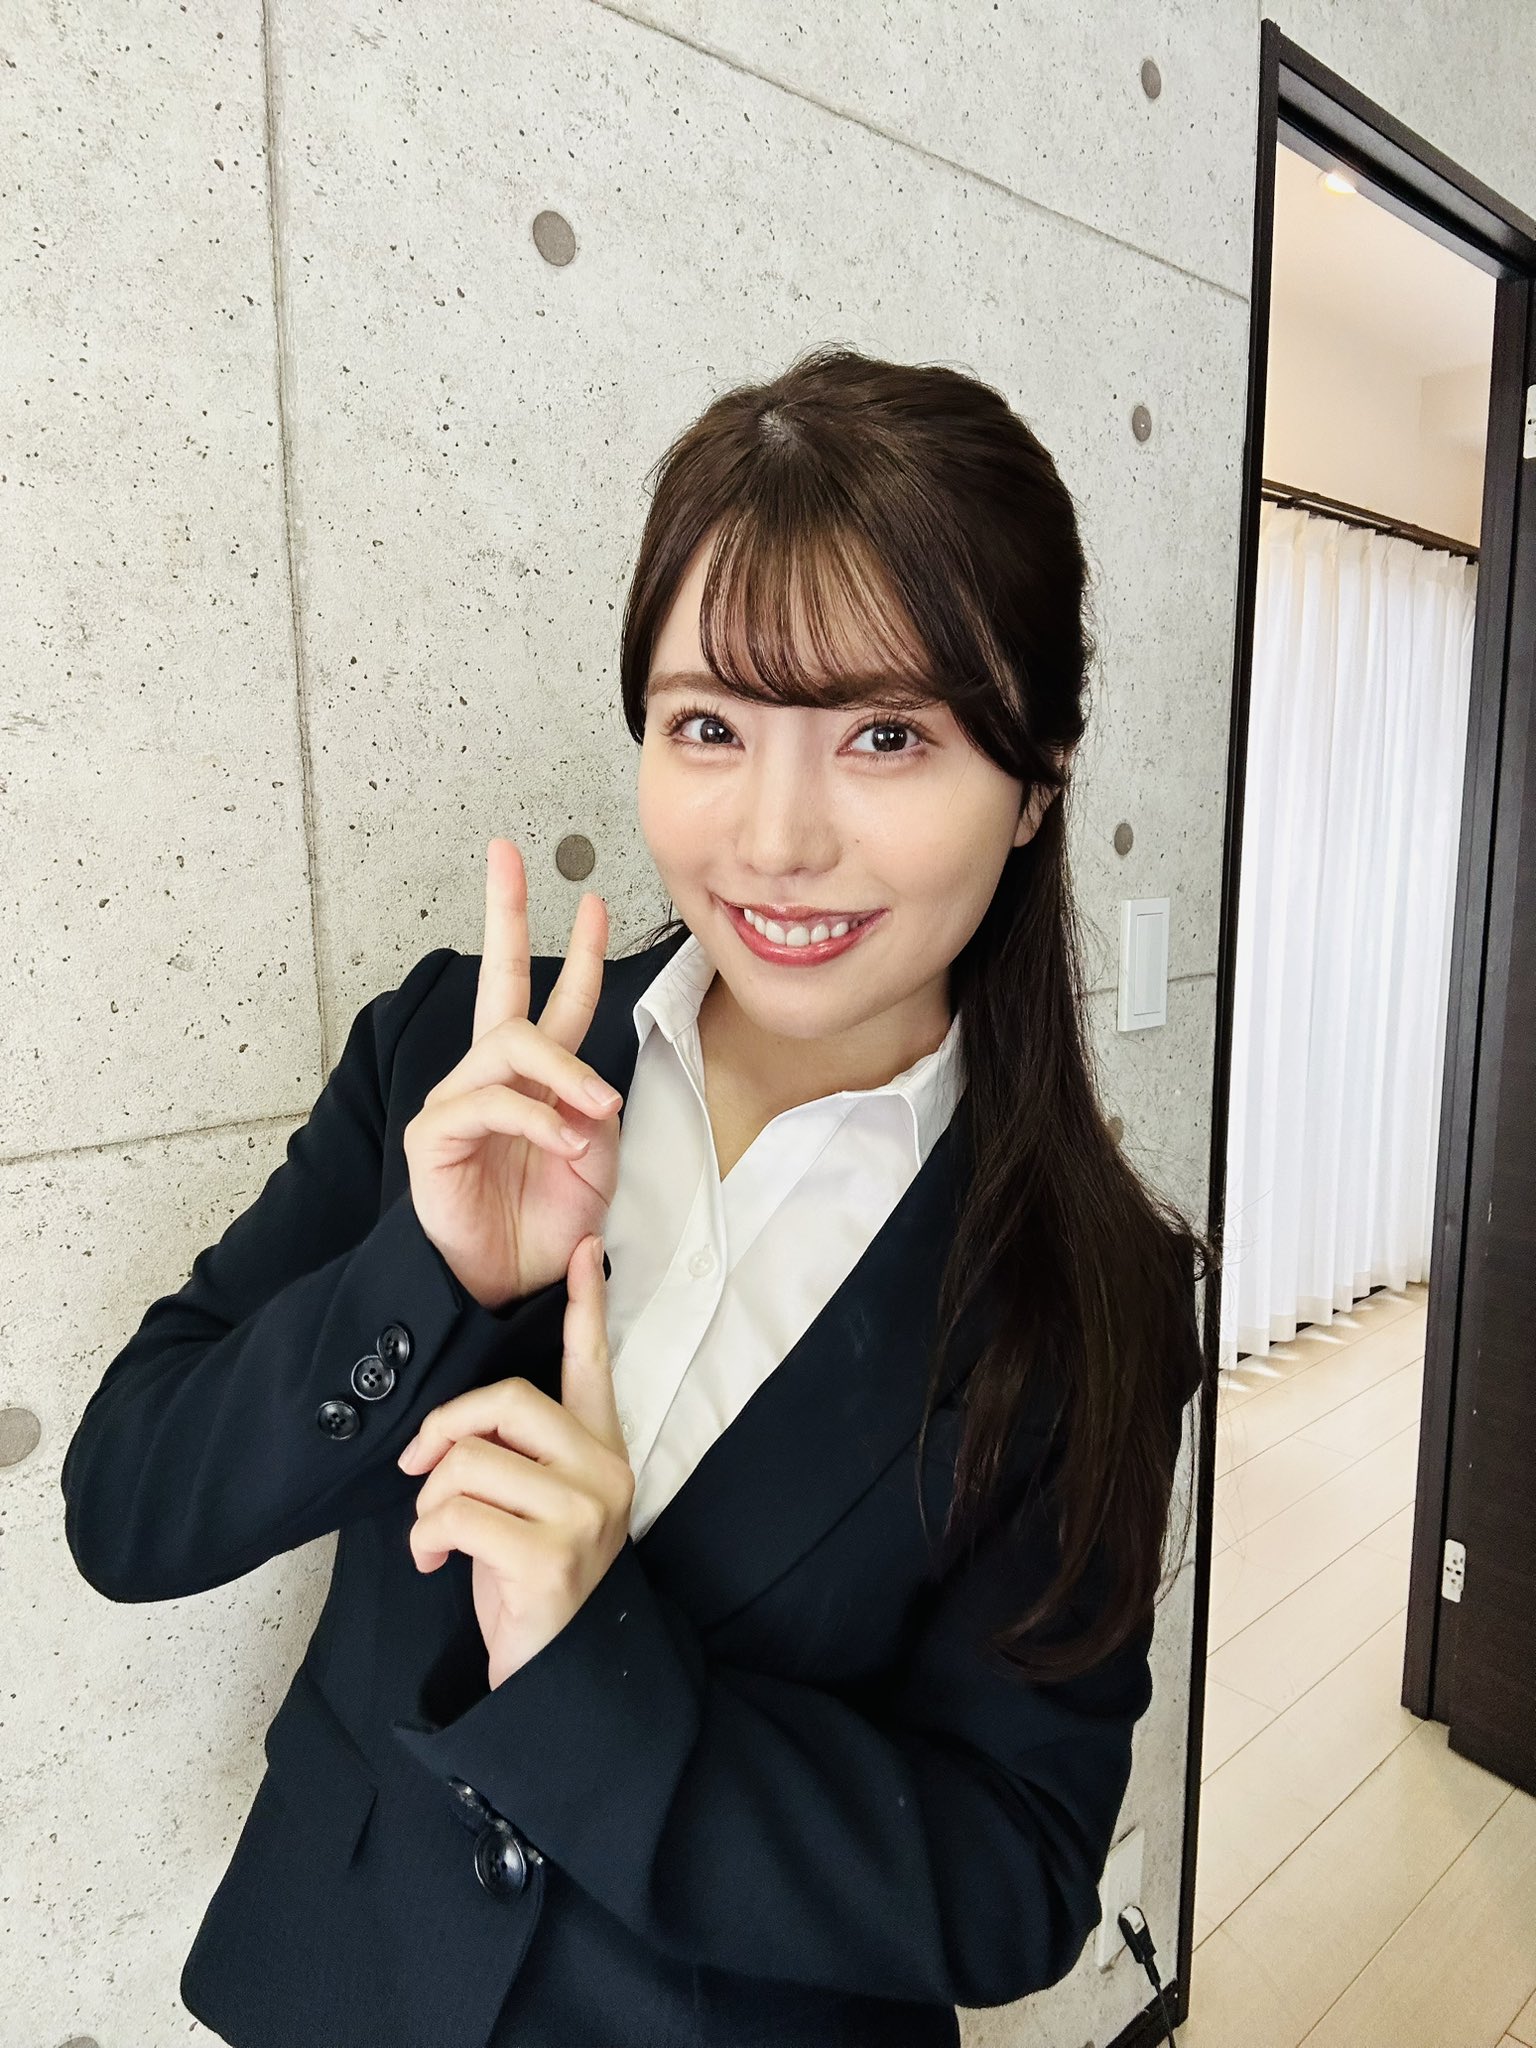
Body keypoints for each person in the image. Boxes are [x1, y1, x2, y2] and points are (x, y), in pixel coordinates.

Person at [60, 344, 1218, 2048]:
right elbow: (125, 1511)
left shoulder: (1093, 1295)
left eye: (886, 734)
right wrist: (426, 1273)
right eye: (708, 727)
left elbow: (1017, 1873)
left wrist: (596, 1664)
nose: (775, 839)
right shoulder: (457, 1059)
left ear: (1037, 771)